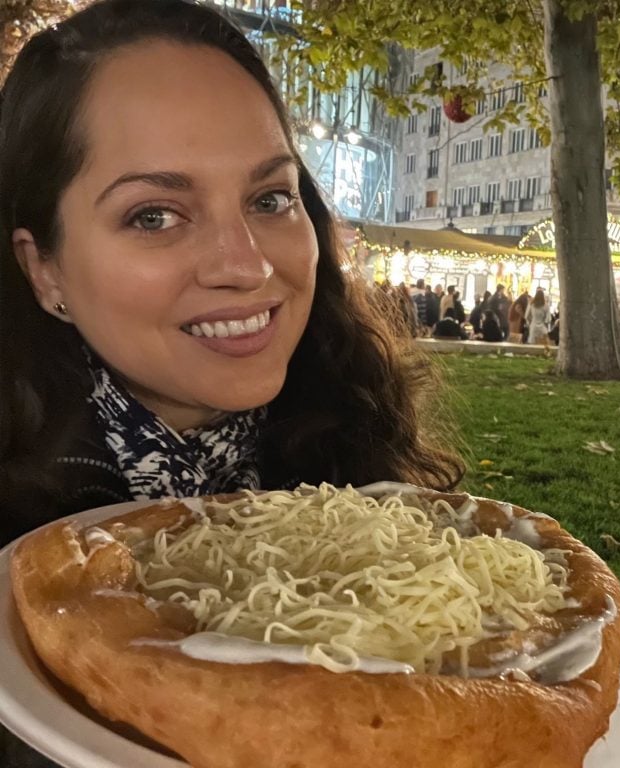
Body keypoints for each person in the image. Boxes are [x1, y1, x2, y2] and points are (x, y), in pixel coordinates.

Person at [0, 2, 466, 764]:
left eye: (269, 199)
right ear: (43, 267)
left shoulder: (355, 449)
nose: (247, 265)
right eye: (154, 215)